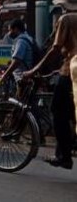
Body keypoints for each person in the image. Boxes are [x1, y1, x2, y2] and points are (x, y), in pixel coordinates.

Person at [26, 13, 77, 169]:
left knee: (57, 110)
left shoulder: (66, 19)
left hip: (70, 71)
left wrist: (35, 69)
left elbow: (55, 49)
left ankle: (63, 156)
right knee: (70, 112)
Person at [0, 19, 37, 86]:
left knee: (20, 96)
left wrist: (5, 75)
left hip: (23, 79)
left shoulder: (21, 41)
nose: (8, 33)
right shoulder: (28, 38)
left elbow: (17, 61)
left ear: (16, 29)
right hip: (26, 77)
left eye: (9, 30)